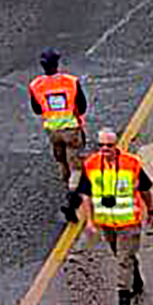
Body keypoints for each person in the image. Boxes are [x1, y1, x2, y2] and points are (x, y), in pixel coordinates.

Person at [73, 129, 153, 305]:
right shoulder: (91, 164)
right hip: (107, 223)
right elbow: (85, 193)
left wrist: (151, 211)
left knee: (123, 261)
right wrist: (90, 221)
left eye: (109, 146)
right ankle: (135, 279)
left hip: (129, 223)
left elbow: (145, 189)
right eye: (101, 146)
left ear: (116, 146)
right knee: (122, 257)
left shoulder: (131, 164)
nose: (105, 150)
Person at [29, 49, 88, 197]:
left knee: (61, 160)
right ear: (57, 63)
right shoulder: (71, 82)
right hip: (71, 128)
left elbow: (37, 109)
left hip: (52, 131)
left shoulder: (36, 85)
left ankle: (65, 180)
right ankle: (73, 191)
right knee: (75, 164)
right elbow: (82, 106)